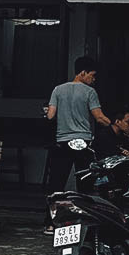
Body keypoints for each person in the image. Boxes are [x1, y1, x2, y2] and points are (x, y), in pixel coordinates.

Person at [44, 56, 111, 229]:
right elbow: (99, 117)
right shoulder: (90, 92)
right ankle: (84, 222)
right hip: (82, 142)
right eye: (92, 75)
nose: (93, 80)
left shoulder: (58, 90)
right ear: (83, 72)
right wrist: (117, 126)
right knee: (85, 183)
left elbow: (50, 115)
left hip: (63, 141)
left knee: (57, 183)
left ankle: (51, 223)